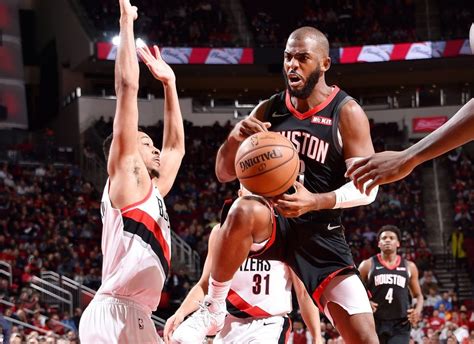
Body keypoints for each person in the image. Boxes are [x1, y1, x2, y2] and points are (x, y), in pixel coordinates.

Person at [174, 26, 380, 343]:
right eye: (287, 57)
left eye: (302, 58)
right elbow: (223, 173)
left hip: (318, 231)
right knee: (242, 209)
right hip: (272, 221)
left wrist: (316, 201)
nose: (292, 65)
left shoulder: (346, 112)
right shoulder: (269, 109)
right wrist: (234, 138)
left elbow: (368, 189)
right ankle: (214, 307)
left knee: (365, 338)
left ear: (324, 63)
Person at [78, 0, 185, 342]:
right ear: (123, 151)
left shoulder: (152, 192)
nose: (154, 147)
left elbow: (175, 149)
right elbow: (127, 87)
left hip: (140, 315)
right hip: (113, 313)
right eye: (144, 141)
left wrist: (170, 85)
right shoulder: (126, 177)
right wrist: (127, 22)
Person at [166, 188, 322, 344]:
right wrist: (180, 313)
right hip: (229, 324)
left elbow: (303, 293)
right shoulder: (219, 232)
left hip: (269, 325)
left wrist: (316, 337)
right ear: (240, 195)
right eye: (251, 188)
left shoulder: (286, 232)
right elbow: (206, 283)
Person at [359, 225, 424, 344]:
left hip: (400, 323)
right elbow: (355, 292)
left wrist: (417, 310)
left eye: (391, 238)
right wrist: (365, 302)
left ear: (398, 243)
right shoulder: (367, 265)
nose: (387, 240)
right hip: (374, 321)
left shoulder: (409, 266)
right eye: (384, 238)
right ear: (379, 243)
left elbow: (418, 295)